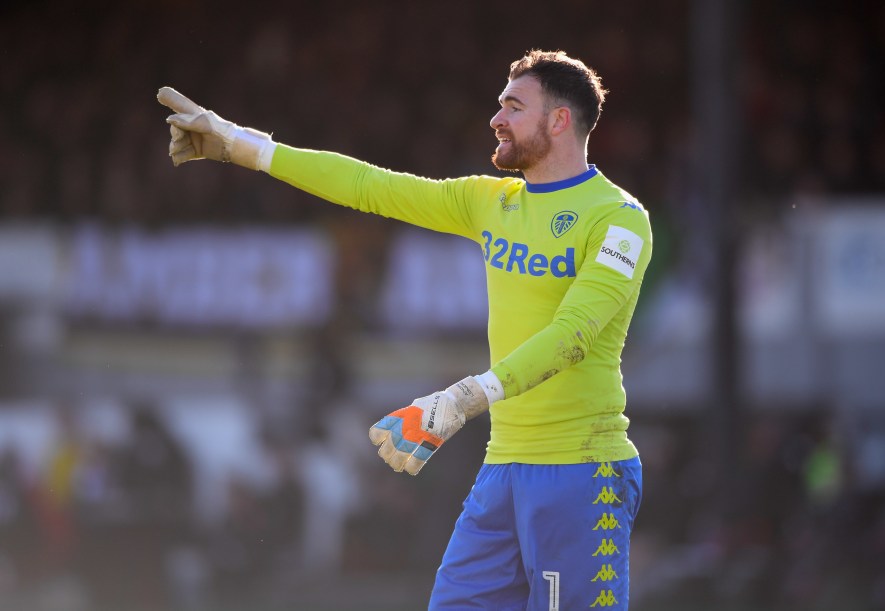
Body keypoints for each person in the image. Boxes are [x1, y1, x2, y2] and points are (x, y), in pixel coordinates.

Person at [159, 49, 652, 610]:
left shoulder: (619, 219)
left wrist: (467, 397)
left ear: (559, 121)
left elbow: (574, 333)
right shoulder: (491, 203)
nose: (496, 119)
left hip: (583, 472)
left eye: (514, 107)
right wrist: (237, 145)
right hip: (505, 468)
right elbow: (369, 186)